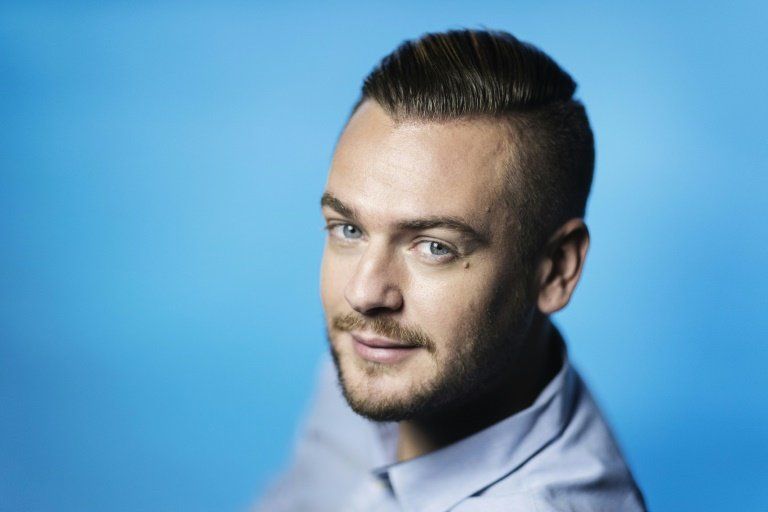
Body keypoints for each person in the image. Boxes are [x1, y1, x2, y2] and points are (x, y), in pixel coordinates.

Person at [257, 29, 646, 511]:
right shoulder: (379, 358)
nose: (364, 293)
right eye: (349, 230)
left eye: (435, 247)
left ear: (555, 270)